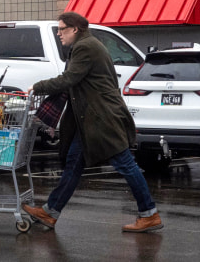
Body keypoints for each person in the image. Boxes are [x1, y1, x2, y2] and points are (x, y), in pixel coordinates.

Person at [23, 12, 162, 233]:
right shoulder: (86, 45)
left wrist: (37, 86)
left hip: (102, 118)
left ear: (74, 29)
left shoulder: (85, 47)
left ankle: (149, 215)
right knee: (73, 165)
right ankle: (50, 213)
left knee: (125, 164)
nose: (59, 34)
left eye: (62, 29)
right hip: (91, 119)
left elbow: (69, 79)